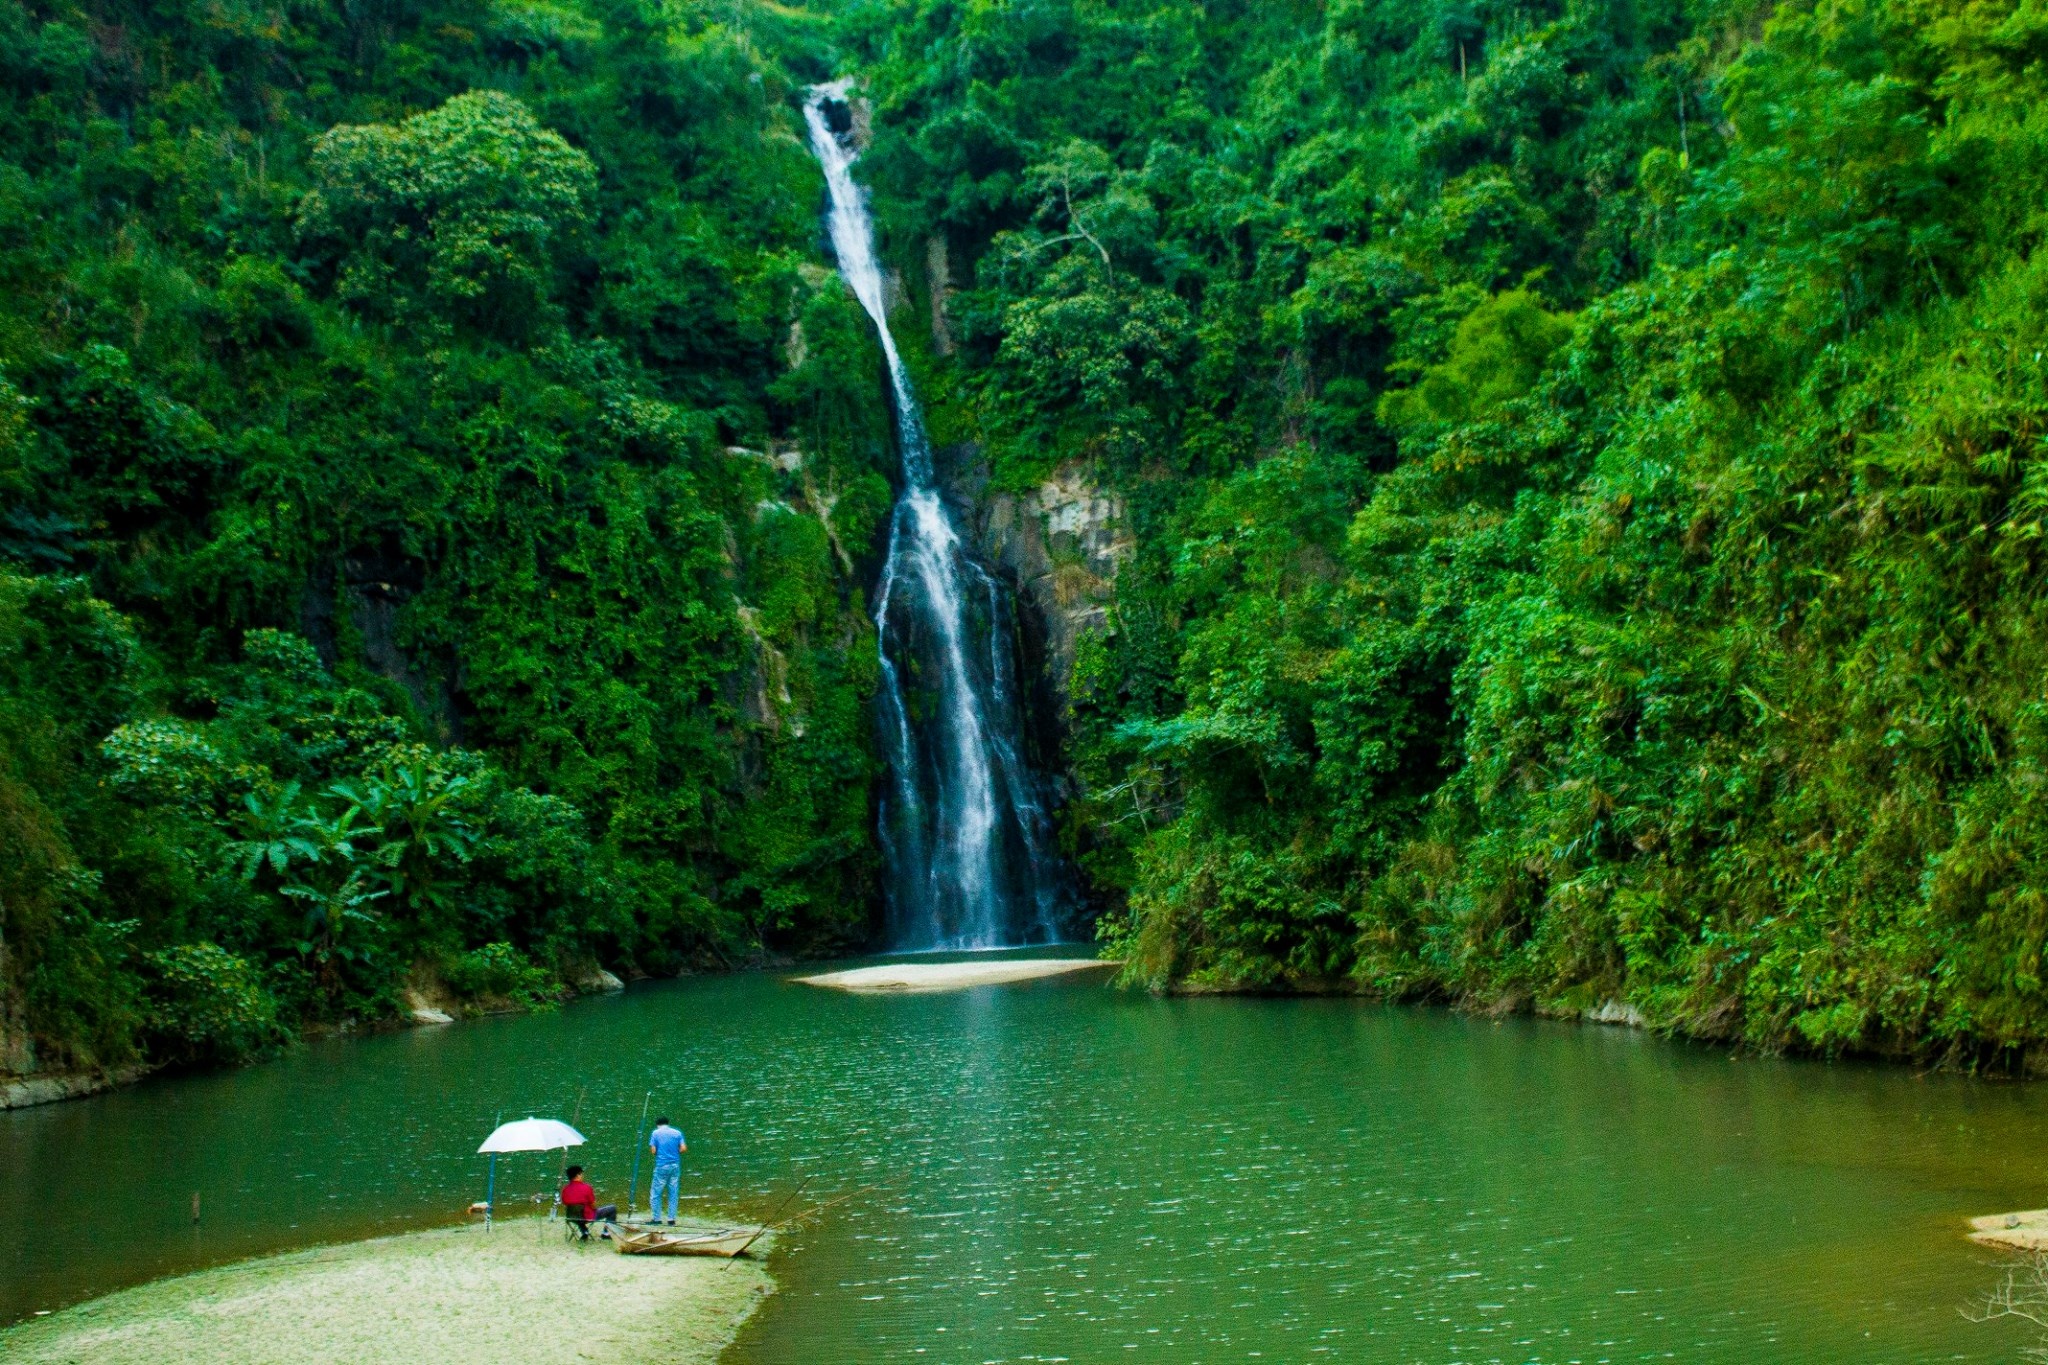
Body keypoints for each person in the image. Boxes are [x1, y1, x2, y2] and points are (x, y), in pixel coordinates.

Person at [647, 1116, 687, 1226]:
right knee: (673, 1192)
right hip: (675, 1166)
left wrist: (661, 1153)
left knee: (656, 1193)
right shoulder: (677, 1133)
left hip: (661, 1166)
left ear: (658, 1124)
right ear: (667, 1123)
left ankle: (656, 1219)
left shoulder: (655, 1133)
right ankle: (671, 1219)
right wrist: (674, 1152)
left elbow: (653, 1151)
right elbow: (683, 1148)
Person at [559, 1166, 616, 1241]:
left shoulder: (565, 1189)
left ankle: (584, 1232)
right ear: (578, 1175)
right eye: (581, 1174)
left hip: (572, 1217)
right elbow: (593, 1205)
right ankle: (606, 1233)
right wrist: (594, 1209)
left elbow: (565, 1203)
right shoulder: (586, 1187)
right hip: (586, 1217)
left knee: (578, 1214)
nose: (582, 1175)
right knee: (612, 1208)